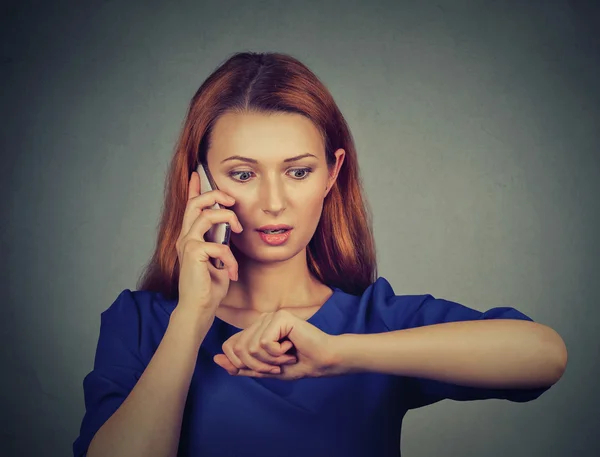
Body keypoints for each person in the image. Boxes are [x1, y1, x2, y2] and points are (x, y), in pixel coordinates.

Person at [72, 51, 568, 457]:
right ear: (198, 183)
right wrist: (192, 316)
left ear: (332, 174)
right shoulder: (141, 323)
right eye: (243, 174)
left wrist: (338, 353)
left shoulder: (375, 320)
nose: (273, 202)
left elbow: (544, 356)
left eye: (298, 171)